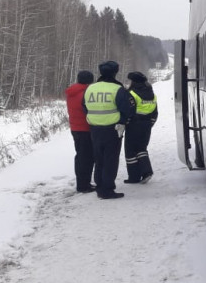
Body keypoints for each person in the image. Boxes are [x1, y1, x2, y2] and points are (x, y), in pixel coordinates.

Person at [84, 61, 135, 199]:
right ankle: (107, 190)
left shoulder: (90, 88)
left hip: (94, 129)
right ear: (115, 72)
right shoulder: (117, 89)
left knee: (99, 159)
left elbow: (85, 107)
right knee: (110, 160)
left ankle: (99, 186)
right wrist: (123, 122)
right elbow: (128, 108)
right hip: (113, 129)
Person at [65, 70, 96, 193]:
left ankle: (82, 182)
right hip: (86, 128)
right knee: (87, 158)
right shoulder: (87, 93)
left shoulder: (72, 92)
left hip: (75, 128)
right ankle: (83, 185)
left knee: (80, 156)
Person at [124, 71, 157, 184]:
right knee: (141, 148)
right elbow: (155, 112)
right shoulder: (151, 93)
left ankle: (134, 177)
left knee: (130, 151)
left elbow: (129, 110)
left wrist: (126, 123)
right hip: (147, 125)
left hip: (134, 124)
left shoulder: (132, 93)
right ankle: (146, 172)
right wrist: (150, 124)